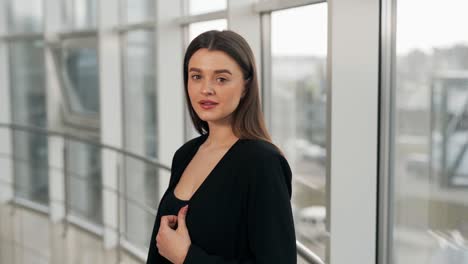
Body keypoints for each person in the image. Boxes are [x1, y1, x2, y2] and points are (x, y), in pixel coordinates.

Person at [146, 30, 297, 264]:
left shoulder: (262, 163)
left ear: (246, 86)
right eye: (196, 76)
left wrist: (187, 257)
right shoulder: (186, 154)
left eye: (221, 79)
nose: (206, 89)